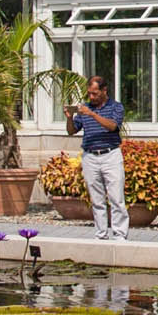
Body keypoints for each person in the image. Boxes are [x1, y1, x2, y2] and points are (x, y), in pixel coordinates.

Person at [65, 75, 128, 240]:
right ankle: (101, 234)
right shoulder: (84, 108)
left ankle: (119, 234)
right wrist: (70, 118)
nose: (91, 97)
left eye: (94, 93)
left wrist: (91, 114)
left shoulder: (116, 107)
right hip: (90, 156)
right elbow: (72, 131)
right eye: (89, 94)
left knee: (116, 197)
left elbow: (112, 126)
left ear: (104, 90)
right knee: (96, 198)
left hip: (111, 155)